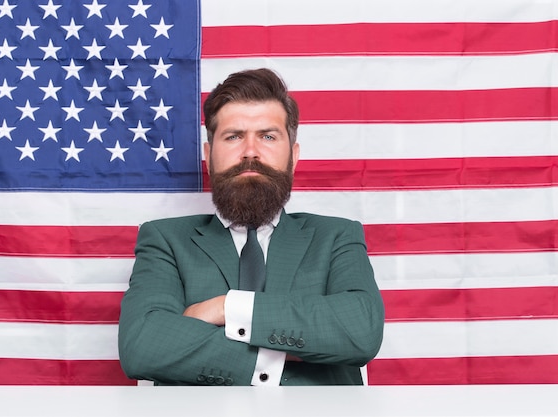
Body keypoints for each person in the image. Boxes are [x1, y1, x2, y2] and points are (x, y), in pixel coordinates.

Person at [118, 68, 384, 386]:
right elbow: (143, 346)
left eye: (268, 136)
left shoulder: (336, 237)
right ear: (208, 156)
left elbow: (360, 332)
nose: (250, 152)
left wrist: (226, 307)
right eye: (233, 136)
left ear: (294, 156)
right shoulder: (166, 240)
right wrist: (284, 353)